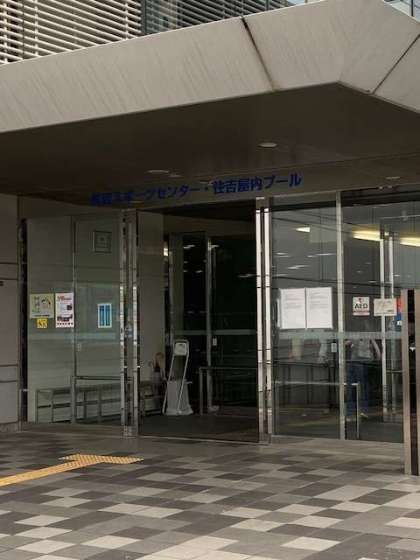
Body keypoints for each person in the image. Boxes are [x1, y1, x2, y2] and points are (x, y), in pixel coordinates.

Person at [346, 336, 381, 418]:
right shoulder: (362, 337)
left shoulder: (359, 337)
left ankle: (354, 411)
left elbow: (345, 344)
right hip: (361, 363)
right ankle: (362, 410)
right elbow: (378, 352)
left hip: (359, 363)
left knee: (356, 387)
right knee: (361, 387)